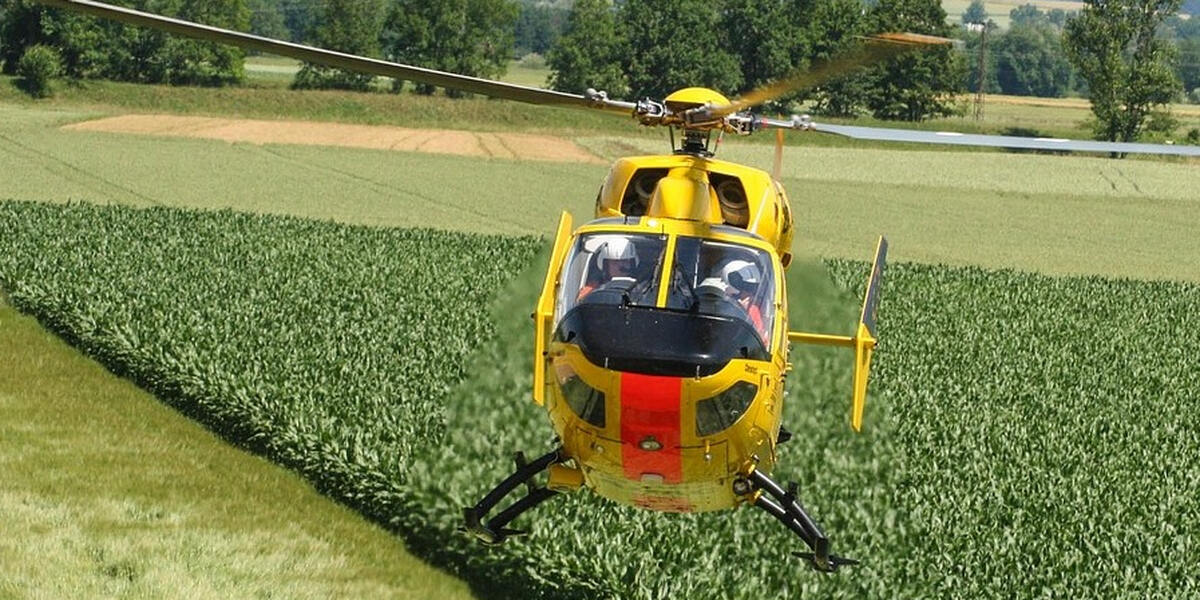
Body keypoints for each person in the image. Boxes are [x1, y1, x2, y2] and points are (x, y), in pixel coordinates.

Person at [721, 259, 767, 340]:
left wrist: (743, 313)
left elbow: (762, 339)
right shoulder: (716, 302)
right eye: (748, 287)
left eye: (753, 288)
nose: (751, 293)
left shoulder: (752, 310)